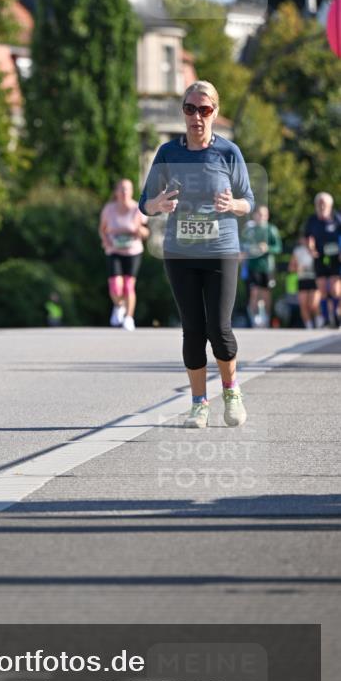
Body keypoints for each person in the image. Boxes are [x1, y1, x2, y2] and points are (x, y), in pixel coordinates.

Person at [139, 80, 254, 429]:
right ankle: (199, 403)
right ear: (183, 113)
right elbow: (145, 202)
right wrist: (157, 204)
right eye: (190, 109)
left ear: (215, 113)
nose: (197, 117)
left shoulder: (229, 153)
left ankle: (231, 391)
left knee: (219, 330)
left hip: (220, 251)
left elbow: (248, 200)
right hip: (180, 253)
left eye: (204, 110)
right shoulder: (167, 153)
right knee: (193, 330)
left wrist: (233, 203)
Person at [99, 178, 148, 331]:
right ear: (116, 192)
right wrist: (106, 241)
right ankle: (119, 306)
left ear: (132, 192)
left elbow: (146, 232)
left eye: (127, 189)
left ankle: (128, 317)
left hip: (133, 251)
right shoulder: (109, 209)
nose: (124, 192)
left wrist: (139, 231)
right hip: (114, 250)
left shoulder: (137, 209)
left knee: (128, 286)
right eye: (121, 189)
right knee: (115, 286)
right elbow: (102, 229)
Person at [304, 192, 341, 328]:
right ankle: (325, 318)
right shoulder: (312, 220)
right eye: (319, 203)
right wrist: (310, 247)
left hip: (335, 257)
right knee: (323, 289)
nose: (321, 205)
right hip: (319, 257)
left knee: (335, 289)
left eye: (324, 203)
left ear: (330, 205)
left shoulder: (337, 218)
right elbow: (308, 237)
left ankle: (336, 313)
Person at [241, 205, 282, 327]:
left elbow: (278, 248)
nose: (261, 217)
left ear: (267, 216)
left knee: (266, 294)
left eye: (264, 214)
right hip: (252, 266)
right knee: (253, 293)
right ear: (254, 215)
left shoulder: (271, 229)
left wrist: (267, 248)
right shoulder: (249, 229)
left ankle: (266, 319)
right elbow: (242, 245)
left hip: (267, 267)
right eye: (259, 214)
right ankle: (254, 321)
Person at [288, 234, 318, 329]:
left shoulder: (318, 249)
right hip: (302, 279)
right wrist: (298, 268)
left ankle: (319, 322)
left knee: (313, 304)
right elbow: (291, 267)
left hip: (315, 279)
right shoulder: (298, 251)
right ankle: (309, 325)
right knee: (303, 304)